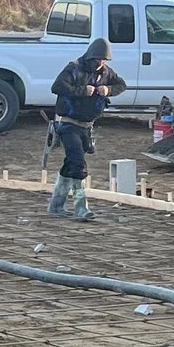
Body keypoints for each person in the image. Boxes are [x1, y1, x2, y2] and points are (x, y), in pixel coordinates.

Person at [48, 36, 125, 220]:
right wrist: (82, 90)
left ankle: (56, 206)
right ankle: (81, 208)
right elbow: (57, 86)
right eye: (99, 59)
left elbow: (121, 85)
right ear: (91, 57)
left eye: (104, 60)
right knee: (78, 163)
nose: (101, 63)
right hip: (67, 123)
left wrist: (108, 90)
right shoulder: (73, 68)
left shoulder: (106, 72)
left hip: (86, 126)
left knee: (71, 163)